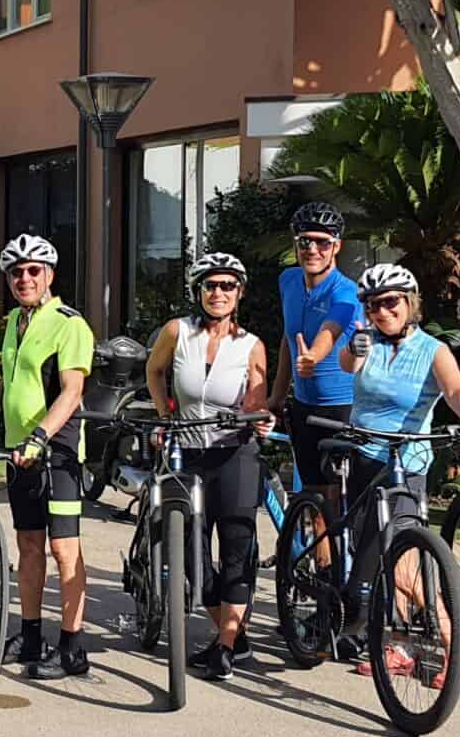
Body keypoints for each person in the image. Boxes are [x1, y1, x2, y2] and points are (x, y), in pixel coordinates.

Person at [341, 262, 460, 685]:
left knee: (403, 560)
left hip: (406, 463)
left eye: (390, 303)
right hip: (363, 456)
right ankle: (399, 646)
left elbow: (456, 389)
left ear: (409, 304)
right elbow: (346, 365)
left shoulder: (432, 349)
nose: (381, 312)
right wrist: (357, 345)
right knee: (378, 556)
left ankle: (456, 647)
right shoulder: (368, 342)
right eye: (372, 306)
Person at [144, 251, 272, 679]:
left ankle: (226, 646)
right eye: (211, 286)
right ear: (198, 291)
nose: (219, 293)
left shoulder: (251, 345)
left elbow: (256, 396)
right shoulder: (176, 332)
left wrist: (259, 418)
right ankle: (232, 635)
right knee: (193, 554)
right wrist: (165, 415)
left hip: (234, 452)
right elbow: (154, 371)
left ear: (240, 293)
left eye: (227, 286)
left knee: (236, 550)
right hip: (186, 452)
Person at [0, 234, 96, 680]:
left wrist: (42, 436)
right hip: (19, 448)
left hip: (58, 449)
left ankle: (72, 646)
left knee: (65, 548)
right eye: (16, 272)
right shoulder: (14, 322)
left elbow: (72, 391)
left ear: (49, 276)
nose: (24, 278)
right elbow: (10, 379)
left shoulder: (70, 324)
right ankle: (29, 636)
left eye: (33, 271)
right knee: (28, 545)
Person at [270, 202, 365, 496]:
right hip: (302, 406)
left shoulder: (346, 291)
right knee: (314, 500)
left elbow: (331, 329)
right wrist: (275, 396)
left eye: (323, 242)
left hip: (341, 409)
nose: (313, 249)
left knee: (338, 497)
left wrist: (313, 356)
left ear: (337, 246)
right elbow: (289, 339)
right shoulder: (288, 281)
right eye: (304, 241)